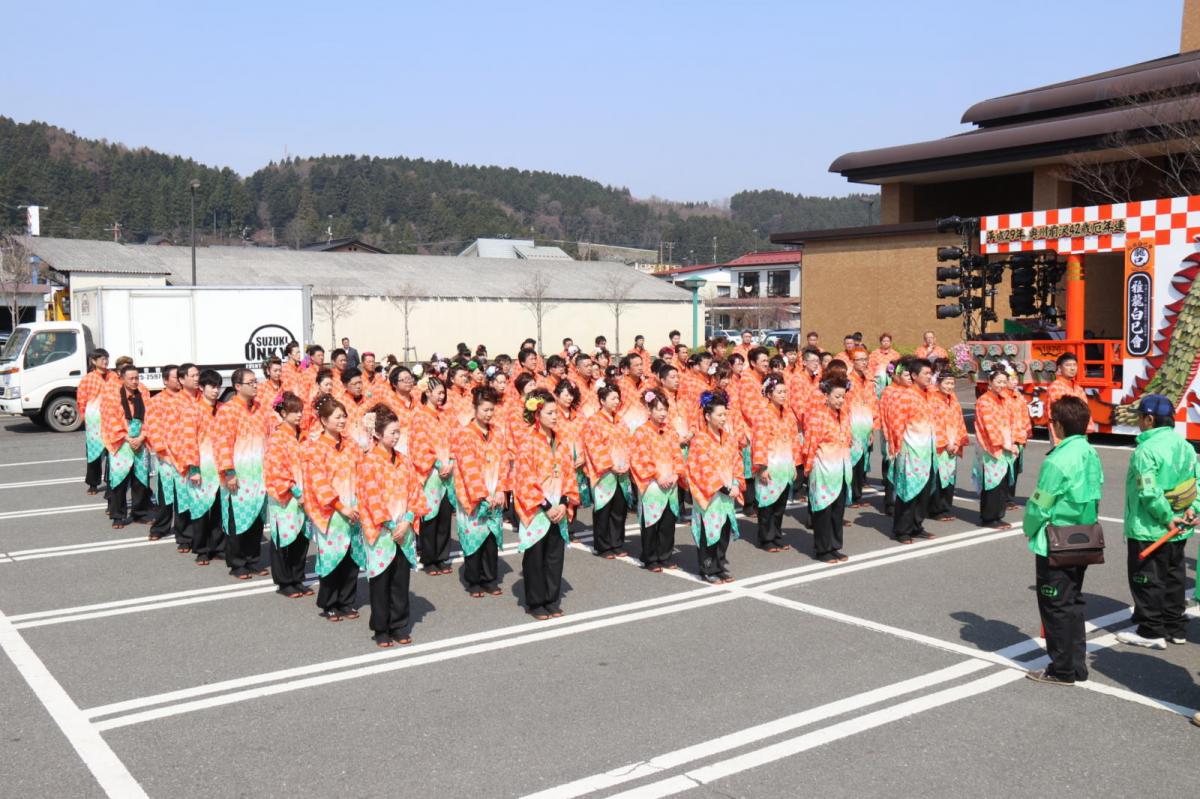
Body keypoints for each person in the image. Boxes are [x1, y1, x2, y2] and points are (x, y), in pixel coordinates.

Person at [1023, 396, 1103, 685]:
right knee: (1073, 602)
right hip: (1083, 537)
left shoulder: (1057, 459)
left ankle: (1062, 669)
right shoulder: (1090, 452)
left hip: (1056, 540)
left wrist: (1029, 527)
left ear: (1057, 424)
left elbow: (1040, 503)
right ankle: (1076, 664)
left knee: (1055, 605)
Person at [1116, 394, 1199, 650]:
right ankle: (1175, 628)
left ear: (1149, 419)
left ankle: (1150, 631)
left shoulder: (1146, 450)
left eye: (1140, 416)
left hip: (1149, 528)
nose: (1139, 421)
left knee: (1146, 579)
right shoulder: (1185, 445)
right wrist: (1192, 510)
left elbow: (1149, 492)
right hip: (1180, 527)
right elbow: (1196, 483)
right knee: (1174, 577)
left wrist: (1166, 517)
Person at [356, 404, 429, 647]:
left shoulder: (404, 460)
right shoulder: (368, 462)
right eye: (392, 432)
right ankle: (381, 628)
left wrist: (407, 520)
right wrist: (390, 525)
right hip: (381, 530)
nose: (397, 437)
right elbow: (370, 498)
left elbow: (415, 491)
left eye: (399, 432)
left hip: (403, 527)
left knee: (400, 580)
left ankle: (399, 624)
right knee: (380, 581)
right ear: (377, 434)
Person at [514, 388, 580, 620]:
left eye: (556, 412)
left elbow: (569, 472)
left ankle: (551, 598)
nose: (555, 416)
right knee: (535, 556)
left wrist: (563, 502)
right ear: (537, 414)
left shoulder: (560, 440)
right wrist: (546, 505)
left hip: (558, 504)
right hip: (538, 507)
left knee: (554, 555)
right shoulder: (528, 442)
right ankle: (536, 602)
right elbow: (524, 479)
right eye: (550, 412)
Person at [302, 395, 362, 622]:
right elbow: (319, 482)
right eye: (337, 417)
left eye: (344, 416)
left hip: (354, 508)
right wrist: (339, 506)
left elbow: (363, 472)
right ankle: (329, 602)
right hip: (332, 512)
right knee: (331, 557)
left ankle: (347, 601)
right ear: (324, 420)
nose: (342, 420)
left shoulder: (351, 444)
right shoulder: (316, 449)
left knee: (351, 557)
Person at [213, 367, 272, 579]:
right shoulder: (228, 411)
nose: (255, 385)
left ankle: (253, 559)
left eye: (256, 381)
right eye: (250, 382)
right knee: (237, 519)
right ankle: (237, 563)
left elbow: (270, 438)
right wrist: (228, 472)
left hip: (258, 475)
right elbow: (221, 443)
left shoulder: (260, 409)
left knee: (256, 518)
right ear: (237, 386)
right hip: (238, 475)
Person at [452, 386, 510, 598]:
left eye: (491, 410)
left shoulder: (497, 432)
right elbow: (468, 469)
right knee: (474, 536)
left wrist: (501, 489)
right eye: (485, 409)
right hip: (473, 494)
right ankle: (474, 580)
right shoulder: (465, 434)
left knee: (491, 536)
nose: (489, 414)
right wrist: (483, 494)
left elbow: (504, 461)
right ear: (475, 408)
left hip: (494, 491)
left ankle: (490, 578)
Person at [686, 391, 743, 583]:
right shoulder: (700, 440)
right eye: (719, 415)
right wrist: (725, 488)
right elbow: (703, 468)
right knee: (710, 530)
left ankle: (719, 565)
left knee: (724, 531)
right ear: (707, 416)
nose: (723, 419)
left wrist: (735, 482)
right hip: (710, 494)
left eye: (725, 415)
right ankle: (708, 568)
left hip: (727, 490)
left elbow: (737, 461)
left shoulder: (728, 438)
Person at [631, 388, 685, 572]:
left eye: (665, 410)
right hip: (653, 483)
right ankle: (650, 557)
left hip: (670, 481)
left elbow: (677, 454)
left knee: (668, 522)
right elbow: (641, 458)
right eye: (658, 409)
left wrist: (676, 473)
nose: (662, 414)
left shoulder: (670, 431)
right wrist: (657, 476)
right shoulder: (641, 432)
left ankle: (665, 555)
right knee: (652, 522)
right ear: (649, 410)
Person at [264, 391, 311, 599]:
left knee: (301, 538)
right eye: (294, 411)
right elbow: (277, 469)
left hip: (304, 494)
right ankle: (284, 581)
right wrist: (295, 490)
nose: (299, 415)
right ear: (283, 413)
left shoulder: (303, 435)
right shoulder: (278, 437)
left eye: (300, 410)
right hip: (287, 496)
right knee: (284, 538)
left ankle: (297, 578)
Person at [885, 358, 937, 544]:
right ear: (914, 375)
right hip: (910, 449)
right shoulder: (904, 396)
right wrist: (896, 448)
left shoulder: (929, 394)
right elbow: (896, 423)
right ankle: (902, 529)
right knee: (908, 490)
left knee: (923, 490)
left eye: (931, 373)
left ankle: (917, 525)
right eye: (926, 373)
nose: (930, 377)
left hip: (926, 448)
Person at [803, 374, 853, 563]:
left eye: (843, 397)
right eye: (837, 397)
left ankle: (834, 545)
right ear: (827, 396)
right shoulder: (818, 417)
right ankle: (822, 549)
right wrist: (808, 469)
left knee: (837, 510)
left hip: (840, 468)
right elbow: (810, 445)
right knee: (823, 510)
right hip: (823, 468)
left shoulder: (844, 416)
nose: (840, 400)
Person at [411, 376, 457, 576]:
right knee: (430, 515)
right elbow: (419, 445)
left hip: (447, 470)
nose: (441, 396)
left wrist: (452, 461)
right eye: (438, 392)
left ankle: (442, 556)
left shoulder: (445, 415)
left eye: (443, 393)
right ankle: (429, 558)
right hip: (430, 473)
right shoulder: (419, 416)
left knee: (445, 514)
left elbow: (456, 439)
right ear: (427, 393)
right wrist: (438, 463)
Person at [750, 374, 799, 552]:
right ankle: (766, 538)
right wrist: (761, 467)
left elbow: (794, 439)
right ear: (769, 394)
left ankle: (776, 535)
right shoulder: (763, 414)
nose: (783, 395)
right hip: (770, 464)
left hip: (784, 463)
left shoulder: (787, 413)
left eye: (785, 392)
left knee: (780, 505)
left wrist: (794, 463)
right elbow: (759, 441)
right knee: (767, 504)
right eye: (779, 392)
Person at [583, 384, 633, 558]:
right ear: (602, 401)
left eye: (618, 398)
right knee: (604, 509)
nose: (616, 402)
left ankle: (617, 542)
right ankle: (603, 545)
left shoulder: (620, 420)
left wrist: (626, 463)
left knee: (619, 509)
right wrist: (610, 465)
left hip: (622, 470)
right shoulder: (593, 421)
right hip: (604, 472)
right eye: (613, 398)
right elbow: (593, 447)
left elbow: (629, 443)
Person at [180, 369, 224, 566]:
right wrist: (194, 469)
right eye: (212, 387)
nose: (216, 391)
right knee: (200, 510)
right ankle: (202, 549)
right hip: (202, 467)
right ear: (202, 388)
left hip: (221, 468)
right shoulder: (193, 410)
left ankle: (218, 547)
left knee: (219, 509)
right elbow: (188, 441)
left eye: (218, 386)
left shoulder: (224, 409)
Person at [101, 363, 153, 528]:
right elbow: (110, 419)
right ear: (122, 379)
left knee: (140, 479)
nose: (135, 381)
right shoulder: (113, 396)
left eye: (137, 378)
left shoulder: (144, 393)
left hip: (141, 439)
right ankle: (118, 515)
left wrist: (142, 436)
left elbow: (151, 417)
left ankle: (140, 513)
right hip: (121, 442)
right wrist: (127, 437)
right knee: (119, 480)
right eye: (131, 378)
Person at [974, 368, 1018, 529]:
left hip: (1006, 445)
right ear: (990, 383)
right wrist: (1005, 443)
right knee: (992, 483)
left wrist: (1014, 441)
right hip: (990, 447)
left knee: (1002, 482)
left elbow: (1013, 422)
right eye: (998, 381)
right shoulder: (984, 401)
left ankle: (998, 515)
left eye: (1004, 382)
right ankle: (989, 517)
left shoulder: (1005, 399)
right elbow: (988, 426)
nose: (1001, 385)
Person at [143, 364, 181, 541]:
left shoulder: (188, 399)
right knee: (165, 493)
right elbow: (153, 428)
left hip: (185, 456)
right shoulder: (156, 401)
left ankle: (184, 533)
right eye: (176, 377)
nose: (180, 380)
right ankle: (160, 527)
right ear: (165, 380)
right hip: (165, 456)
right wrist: (162, 451)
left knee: (184, 496)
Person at [927, 367, 968, 521]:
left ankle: (945, 507)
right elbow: (934, 423)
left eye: (952, 383)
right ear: (938, 383)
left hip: (953, 443)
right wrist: (945, 443)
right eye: (947, 383)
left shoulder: (953, 399)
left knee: (950, 477)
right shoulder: (932, 399)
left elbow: (959, 421)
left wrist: (957, 442)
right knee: (937, 477)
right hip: (941, 444)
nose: (950, 386)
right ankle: (935, 509)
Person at [78, 348, 117, 495]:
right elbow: (81, 399)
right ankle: (93, 483)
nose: (105, 361)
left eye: (106, 358)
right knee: (93, 453)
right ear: (94, 361)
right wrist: (84, 417)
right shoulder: (88, 379)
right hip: (94, 420)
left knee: (112, 452)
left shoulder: (114, 376)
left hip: (112, 420)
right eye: (102, 359)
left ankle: (111, 481)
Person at [847, 349, 878, 508]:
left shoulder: (868, 381)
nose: (864, 362)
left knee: (862, 463)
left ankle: (857, 494)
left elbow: (873, 405)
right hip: (852, 427)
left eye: (866, 359)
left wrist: (872, 429)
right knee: (852, 462)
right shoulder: (847, 381)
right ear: (852, 361)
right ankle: (849, 495)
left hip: (865, 428)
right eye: (860, 360)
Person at [1044, 353, 1093, 445]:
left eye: (1074, 365)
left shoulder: (1079, 388)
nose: (1072, 368)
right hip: (1063, 434)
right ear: (1059, 368)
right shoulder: (1055, 387)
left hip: (1079, 433)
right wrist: (1057, 438)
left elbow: (1086, 411)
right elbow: (1054, 415)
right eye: (1068, 365)